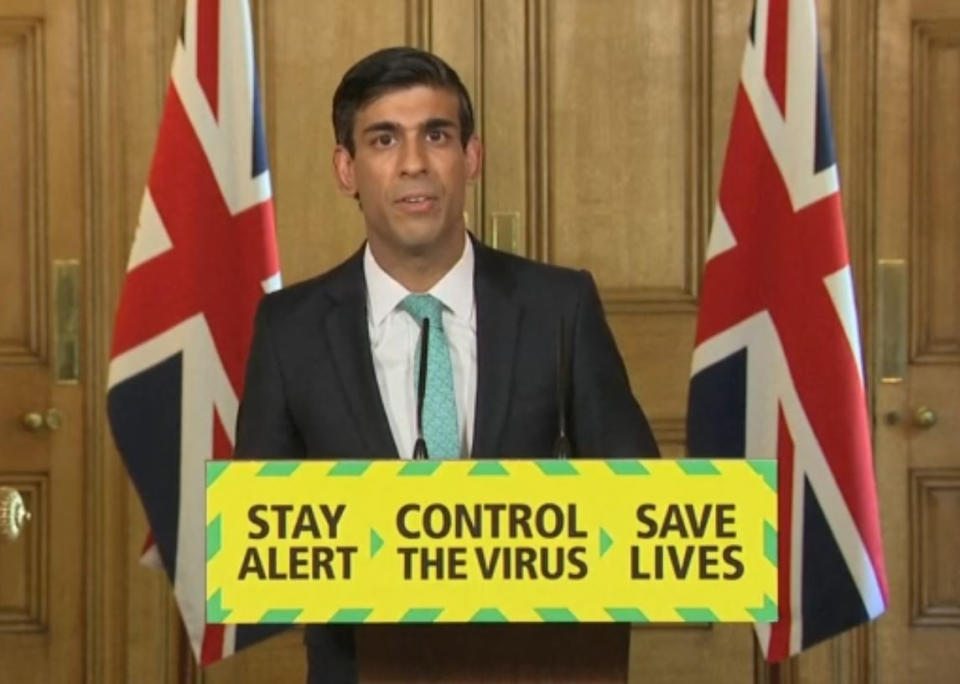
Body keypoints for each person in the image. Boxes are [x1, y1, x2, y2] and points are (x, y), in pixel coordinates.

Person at [235, 46, 659, 684]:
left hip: (535, 667)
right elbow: (260, 539)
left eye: (436, 135)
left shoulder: (559, 307)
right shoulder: (289, 330)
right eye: (384, 140)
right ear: (346, 169)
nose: (414, 164)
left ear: (472, 157)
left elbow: (643, 506)